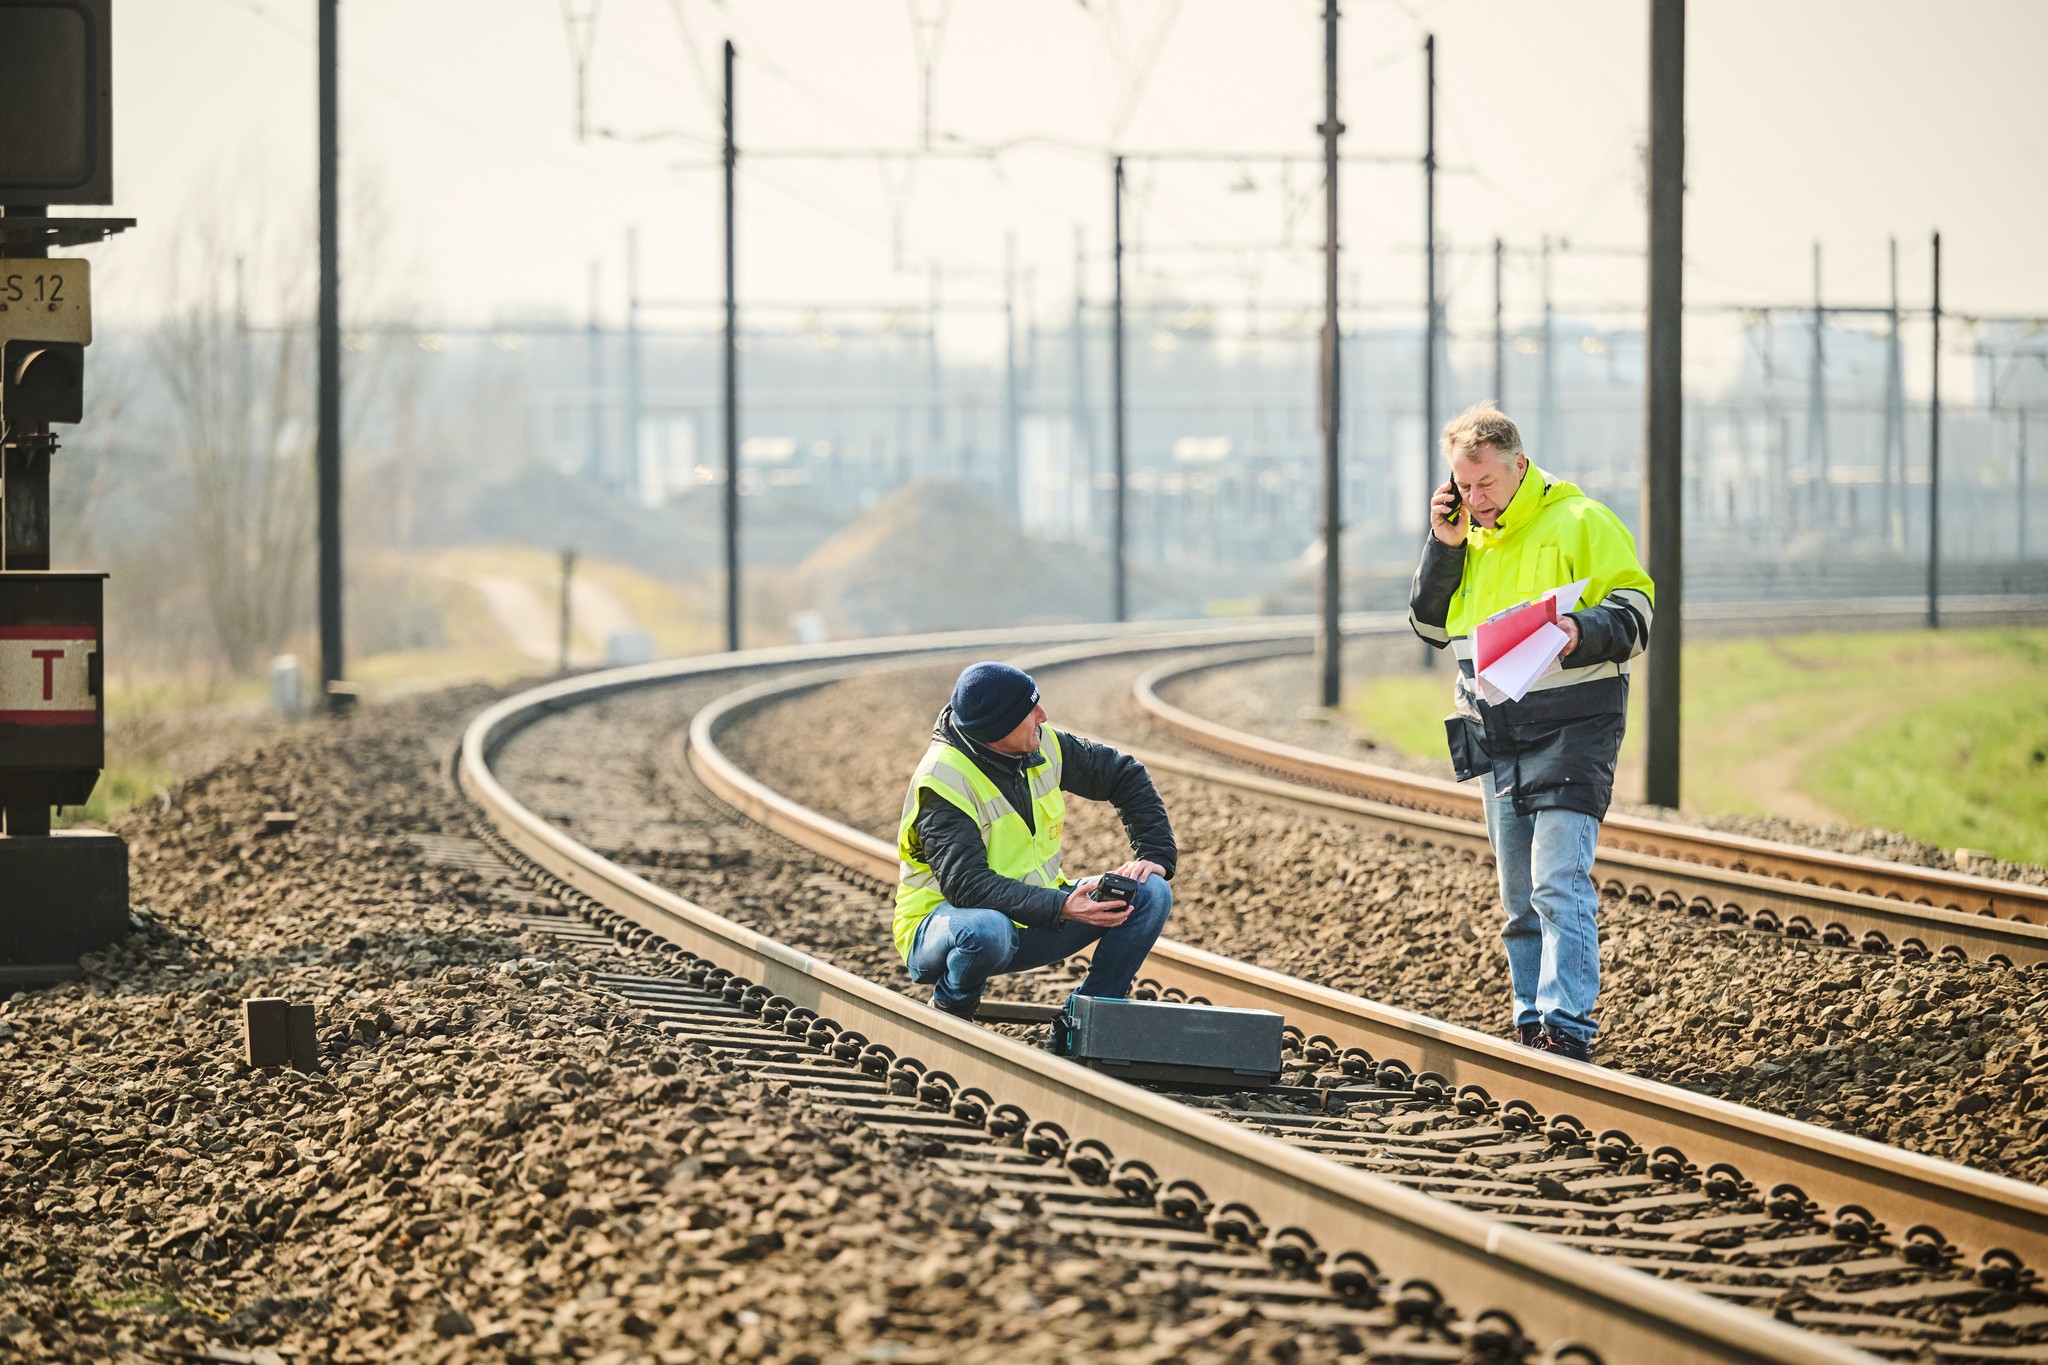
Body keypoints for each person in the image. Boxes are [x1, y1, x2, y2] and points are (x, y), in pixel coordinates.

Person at [1408, 402, 1654, 1062]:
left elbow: (1636, 612)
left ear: (1520, 465)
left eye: (1485, 482)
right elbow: (1430, 627)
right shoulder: (1467, 540)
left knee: (1557, 884)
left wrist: (1581, 631)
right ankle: (1530, 1020)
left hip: (1575, 727)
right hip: (1497, 734)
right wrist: (1444, 543)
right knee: (1518, 897)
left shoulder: (1582, 520)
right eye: (1462, 484)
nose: (1475, 497)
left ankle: (1565, 1024)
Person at [894, 661, 1176, 1023]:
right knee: (987, 928)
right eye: (1029, 710)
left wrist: (1155, 853)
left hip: (1032, 919)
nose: (1042, 715)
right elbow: (966, 885)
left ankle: (1085, 1023)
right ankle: (952, 1010)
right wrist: (1060, 906)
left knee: (1150, 892)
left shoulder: (1044, 746)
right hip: (943, 930)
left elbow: (1126, 775)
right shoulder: (943, 779)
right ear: (997, 728)